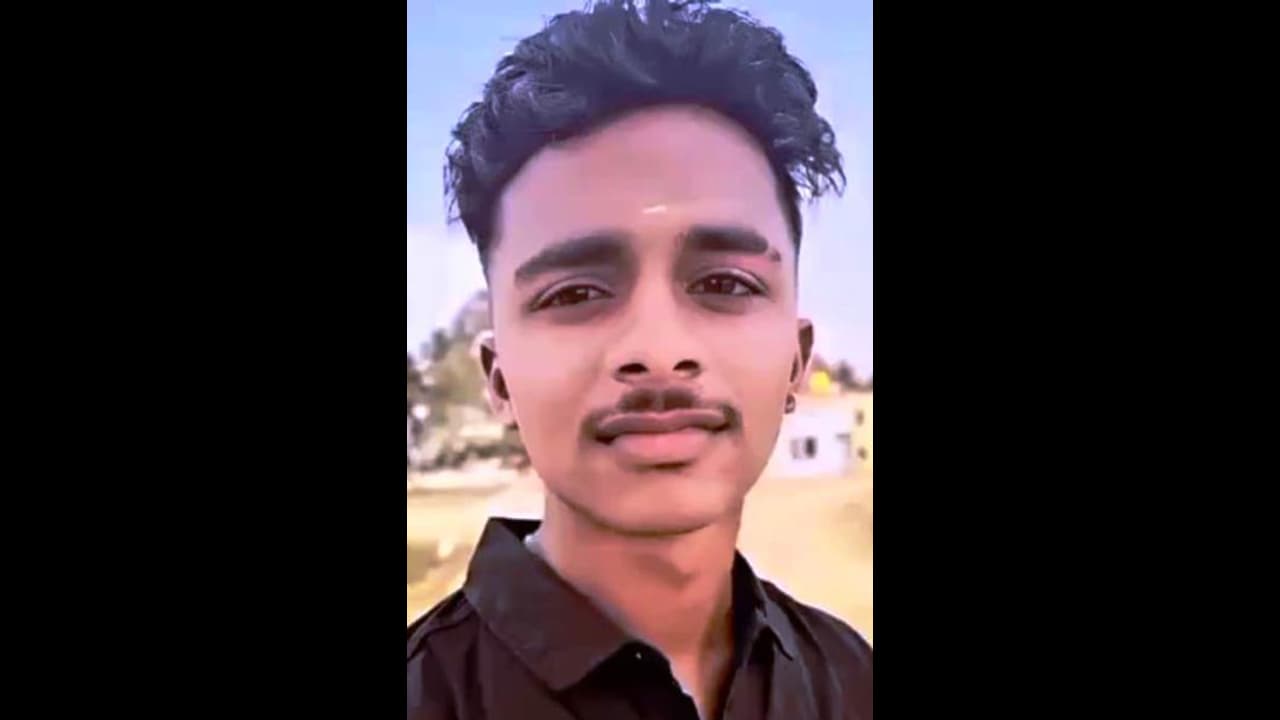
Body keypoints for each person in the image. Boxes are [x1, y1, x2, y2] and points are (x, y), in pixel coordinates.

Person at [407, 1, 871, 718]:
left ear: (795, 360)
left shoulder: (850, 678)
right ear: (499, 379)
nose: (659, 351)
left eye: (725, 284)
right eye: (575, 293)